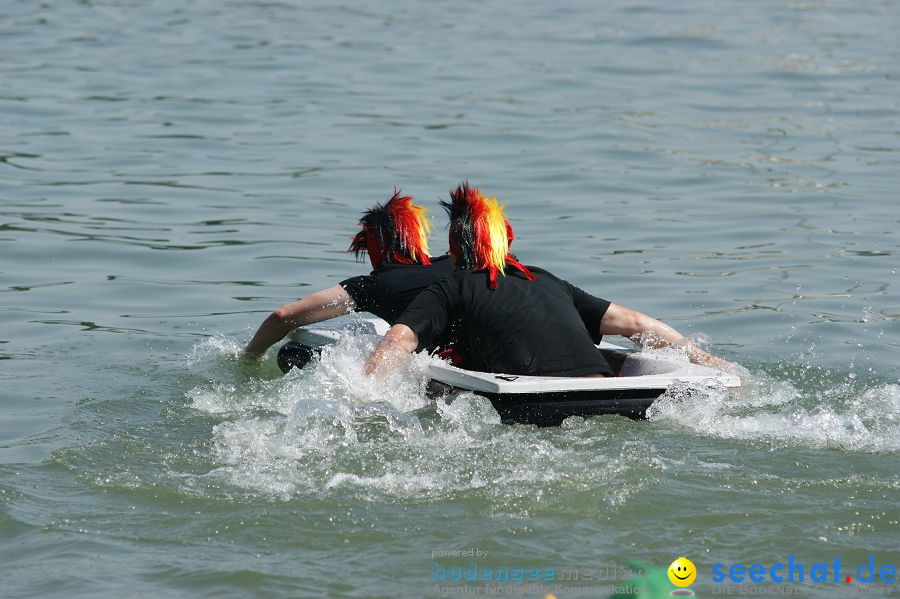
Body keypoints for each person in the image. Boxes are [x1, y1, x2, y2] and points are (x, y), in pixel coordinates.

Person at [364, 183, 736, 377]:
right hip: (597, 388)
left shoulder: (450, 286)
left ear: (454, 253)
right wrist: (707, 360)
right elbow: (638, 325)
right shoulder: (549, 280)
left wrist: (365, 396)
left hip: (530, 404)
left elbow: (398, 342)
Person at [242, 190, 452, 363]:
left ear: (372, 249)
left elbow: (283, 316)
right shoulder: (458, 265)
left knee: (294, 352)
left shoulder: (375, 286)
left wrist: (249, 356)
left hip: (435, 370)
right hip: (476, 363)